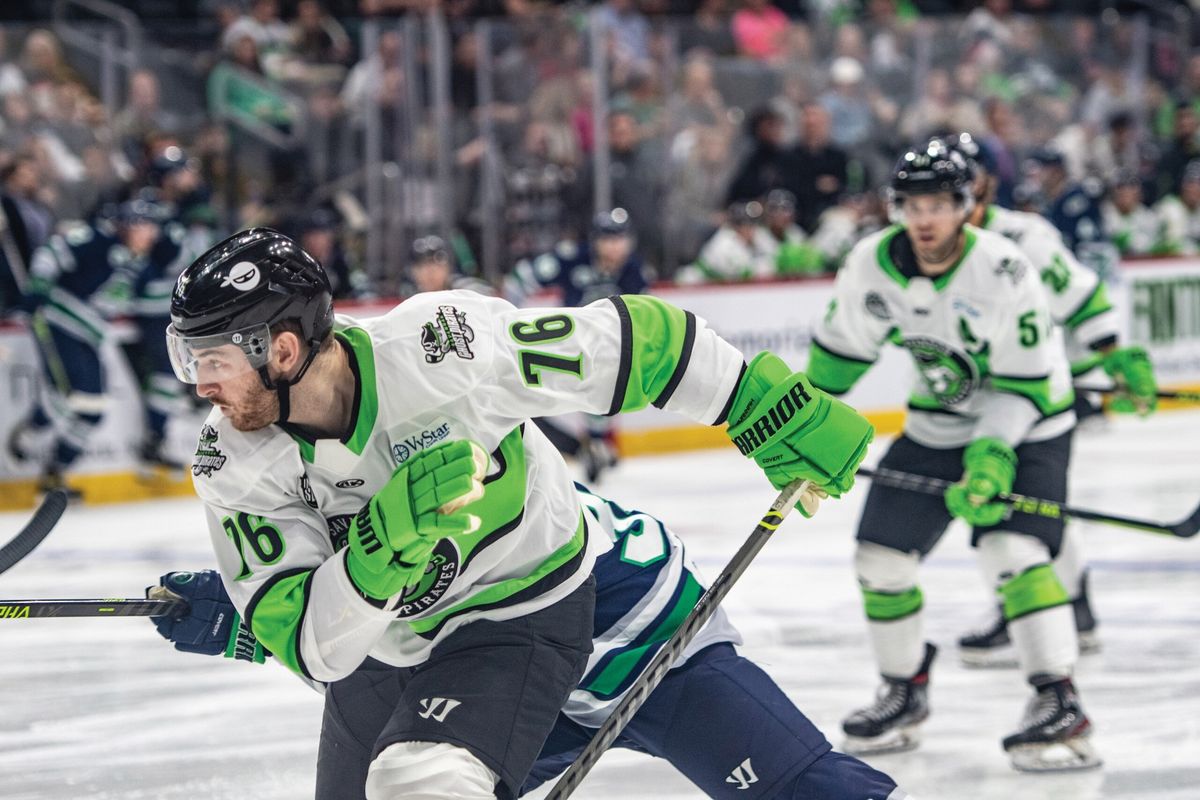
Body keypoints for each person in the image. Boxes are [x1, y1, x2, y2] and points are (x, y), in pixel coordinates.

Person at [163, 227, 881, 800]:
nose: (198, 385)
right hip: (421, 651)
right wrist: (270, 613)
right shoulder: (233, 461)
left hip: (613, 623)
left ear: (281, 349)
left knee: (803, 787)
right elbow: (319, 638)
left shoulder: (442, 351)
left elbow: (638, 344)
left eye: (211, 360)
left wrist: (768, 407)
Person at [152, 482, 910, 800]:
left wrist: (261, 626)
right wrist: (256, 614)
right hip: (530, 679)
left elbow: (402, 644)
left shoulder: (456, 501)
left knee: (803, 791)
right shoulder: (356, 495)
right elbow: (371, 645)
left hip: (654, 649)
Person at [806, 141, 1099, 772]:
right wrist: (802, 437)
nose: (926, 218)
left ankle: (1060, 699)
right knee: (879, 560)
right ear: (896, 210)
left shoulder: (1003, 268)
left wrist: (992, 461)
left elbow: (1027, 383)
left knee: (1010, 552)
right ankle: (903, 690)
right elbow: (837, 360)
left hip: (1031, 425)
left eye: (940, 204)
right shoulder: (870, 264)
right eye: (914, 205)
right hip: (937, 425)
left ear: (967, 206)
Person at [944, 132, 1158, 666]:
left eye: (968, 178)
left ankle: (1055, 612)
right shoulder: (927, 245)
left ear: (988, 184)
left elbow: (1082, 298)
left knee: (1026, 511)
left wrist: (1114, 355)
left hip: (1036, 397)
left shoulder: (1026, 236)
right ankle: (1062, 610)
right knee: (1012, 510)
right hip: (977, 405)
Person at [8, 196, 165, 493]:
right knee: (74, 395)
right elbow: (53, 250)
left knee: (93, 409)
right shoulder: (98, 239)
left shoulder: (142, 265)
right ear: (130, 224)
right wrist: (38, 287)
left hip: (90, 334)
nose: (152, 234)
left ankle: (56, 470)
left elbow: (144, 301)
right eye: (147, 225)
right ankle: (30, 433)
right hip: (58, 321)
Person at [505, 209, 649, 483]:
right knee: (530, 399)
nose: (615, 246)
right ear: (596, 241)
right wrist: (508, 317)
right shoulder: (572, 258)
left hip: (606, 352)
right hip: (563, 348)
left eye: (620, 239)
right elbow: (521, 279)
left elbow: (643, 316)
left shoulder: (634, 270)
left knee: (605, 381)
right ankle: (583, 445)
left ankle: (594, 444)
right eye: (608, 239)